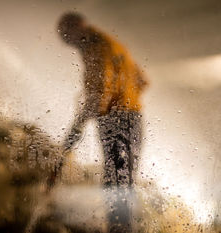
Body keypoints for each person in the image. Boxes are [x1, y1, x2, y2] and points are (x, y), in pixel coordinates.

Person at [56, 12, 148, 232]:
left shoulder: (96, 47)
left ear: (79, 26)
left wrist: (72, 136)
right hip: (133, 117)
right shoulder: (114, 44)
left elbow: (101, 96)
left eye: (68, 35)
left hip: (116, 119)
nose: (68, 42)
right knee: (122, 180)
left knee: (115, 183)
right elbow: (143, 81)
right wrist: (126, 97)